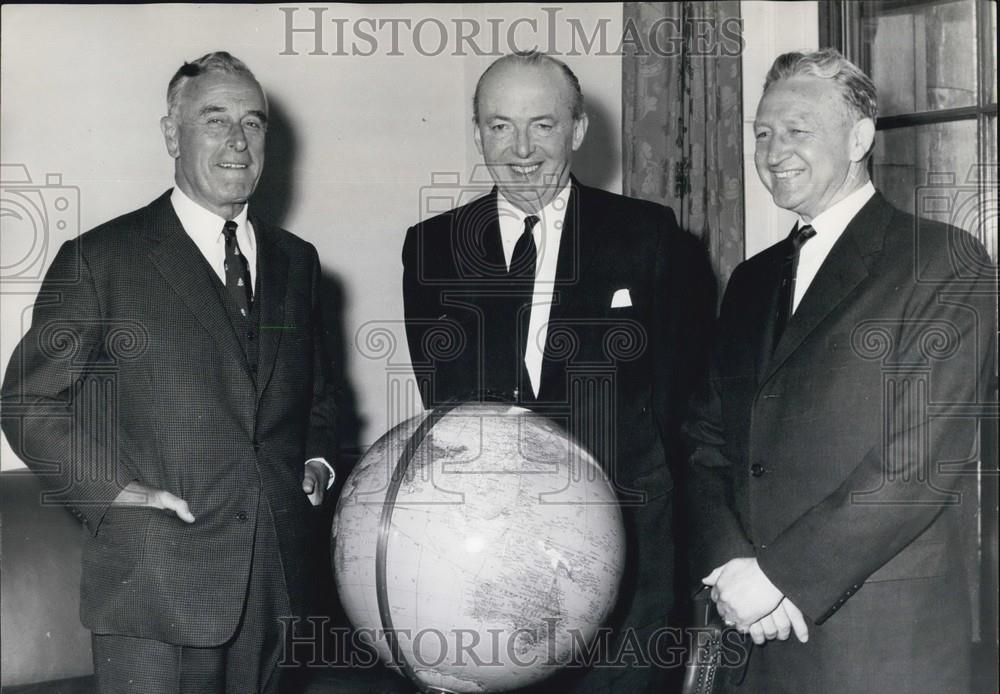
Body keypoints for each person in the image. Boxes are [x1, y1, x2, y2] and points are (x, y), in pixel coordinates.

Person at [0, 51, 337, 693]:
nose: (238, 141)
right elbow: (26, 401)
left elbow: (315, 392)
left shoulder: (299, 261)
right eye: (214, 119)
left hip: (275, 586)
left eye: (253, 122)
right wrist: (115, 489)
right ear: (170, 135)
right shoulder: (103, 259)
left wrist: (317, 463)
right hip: (154, 589)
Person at [402, 50, 715, 692]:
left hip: (625, 552)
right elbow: (448, 407)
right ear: (478, 131)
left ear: (576, 130)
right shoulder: (433, 247)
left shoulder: (648, 237)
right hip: (487, 565)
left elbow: (682, 398)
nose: (520, 149)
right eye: (499, 126)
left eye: (541, 125)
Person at [685, 48, 996, 693]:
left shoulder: (943, 261)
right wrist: (732, 564)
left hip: (878, 642)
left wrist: (779, 580)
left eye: (798, 131)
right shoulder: (750, 281)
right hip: (751, 634)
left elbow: (917, 462)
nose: (774, 152)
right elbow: (706, 440)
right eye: (763, 135)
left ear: (859, 137)